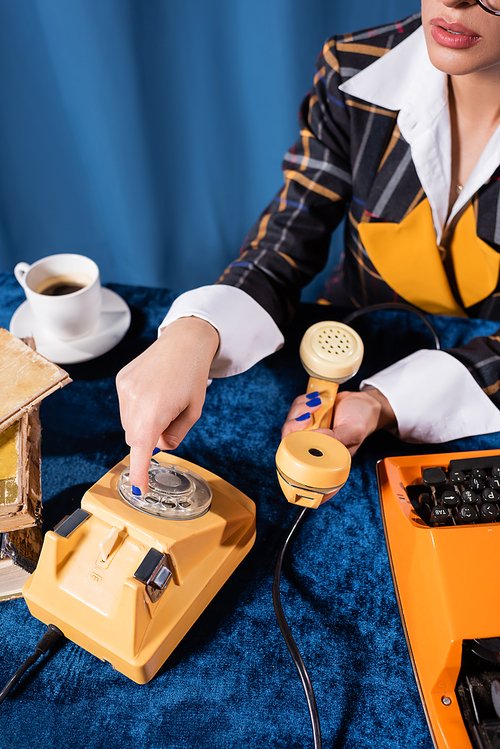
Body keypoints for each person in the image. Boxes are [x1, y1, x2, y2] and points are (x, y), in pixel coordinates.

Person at [116, 0, 500, 496]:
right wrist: (194, 332)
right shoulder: (354, 65)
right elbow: (287, 238)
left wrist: (384, 402)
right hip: (357, 339)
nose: (454, 1)